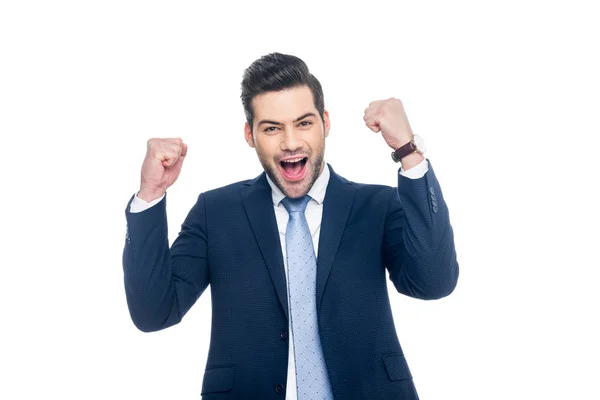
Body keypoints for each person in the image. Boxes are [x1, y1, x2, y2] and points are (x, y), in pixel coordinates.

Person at [122, 52, 459, 399]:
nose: (291, 142)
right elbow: (153, 312)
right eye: (271, 128)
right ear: (250, 135)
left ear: (325, 123)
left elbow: (434, 281)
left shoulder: (377, 206)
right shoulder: (215, 212)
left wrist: (409, 152)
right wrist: (151, 193)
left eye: (304, 123)